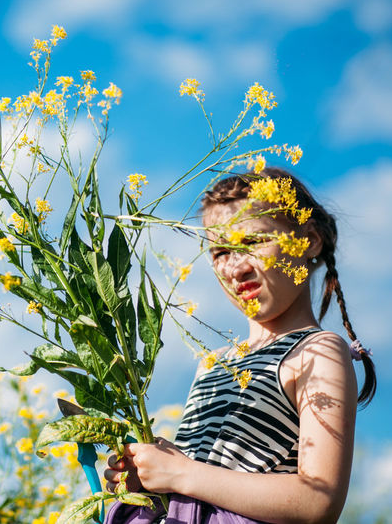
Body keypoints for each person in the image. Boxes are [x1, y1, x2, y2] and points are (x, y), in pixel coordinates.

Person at [103, 167, 376, 524]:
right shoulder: (213, 363)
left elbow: (318, 503)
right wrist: (151, 478)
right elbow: (206, 483)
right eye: (220, 252)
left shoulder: (317, 351)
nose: (235, 268)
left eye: (252, 242)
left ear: (309, 240)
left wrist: (181, 473)